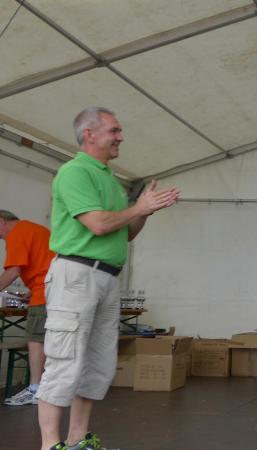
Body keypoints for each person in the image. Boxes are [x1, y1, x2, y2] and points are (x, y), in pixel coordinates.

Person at [37, 107, 180, 450]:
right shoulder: (74, 172)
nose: (120, 137)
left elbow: (125, 233)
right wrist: (138, 207)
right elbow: (98, 224)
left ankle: (77, 440)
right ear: (89, 134)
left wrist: (145, 211)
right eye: (114, 131)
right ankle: (50, 444)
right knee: (65, 361)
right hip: (77, 274)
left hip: (106, 277)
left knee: (98, 364)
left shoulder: (111, 180)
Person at [0, 210, 54, 406]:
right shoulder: (36, 229)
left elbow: (14, 270)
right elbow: (47, 263)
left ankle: (35, 389)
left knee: (35, 339)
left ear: (1, 221)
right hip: (54, 290)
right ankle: (47, 387)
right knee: (49, 340)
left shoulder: (16, 234)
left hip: (44, 293)